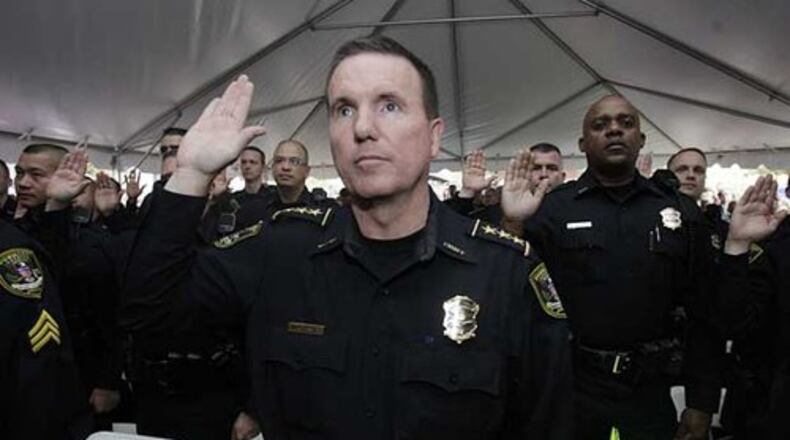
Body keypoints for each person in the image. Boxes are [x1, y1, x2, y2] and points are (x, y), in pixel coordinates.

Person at [121, 35, 573, 439]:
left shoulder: (505, 271)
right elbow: (149, 313)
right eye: (344, 109)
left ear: (434, 137)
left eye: (390, 105)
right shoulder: (279, 251)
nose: (363, 128)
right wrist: (192, 173)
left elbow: (547, 425)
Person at [499, 95, 772, 440]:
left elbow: (707, 317)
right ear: (583, 143)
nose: (614, 130)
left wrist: (701, 402)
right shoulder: (551, 210)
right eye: (600, 125)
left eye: (626, 123)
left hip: (648, 393)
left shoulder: (680, 212)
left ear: (641, 140)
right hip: (568, 390)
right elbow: (509, 300)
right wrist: (512, 224)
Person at [0, 150, 95, 440]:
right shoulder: (16, 227)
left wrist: (107, 380)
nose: (24, 183)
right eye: (19, 173)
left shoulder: (86, 239)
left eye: (36, 175)